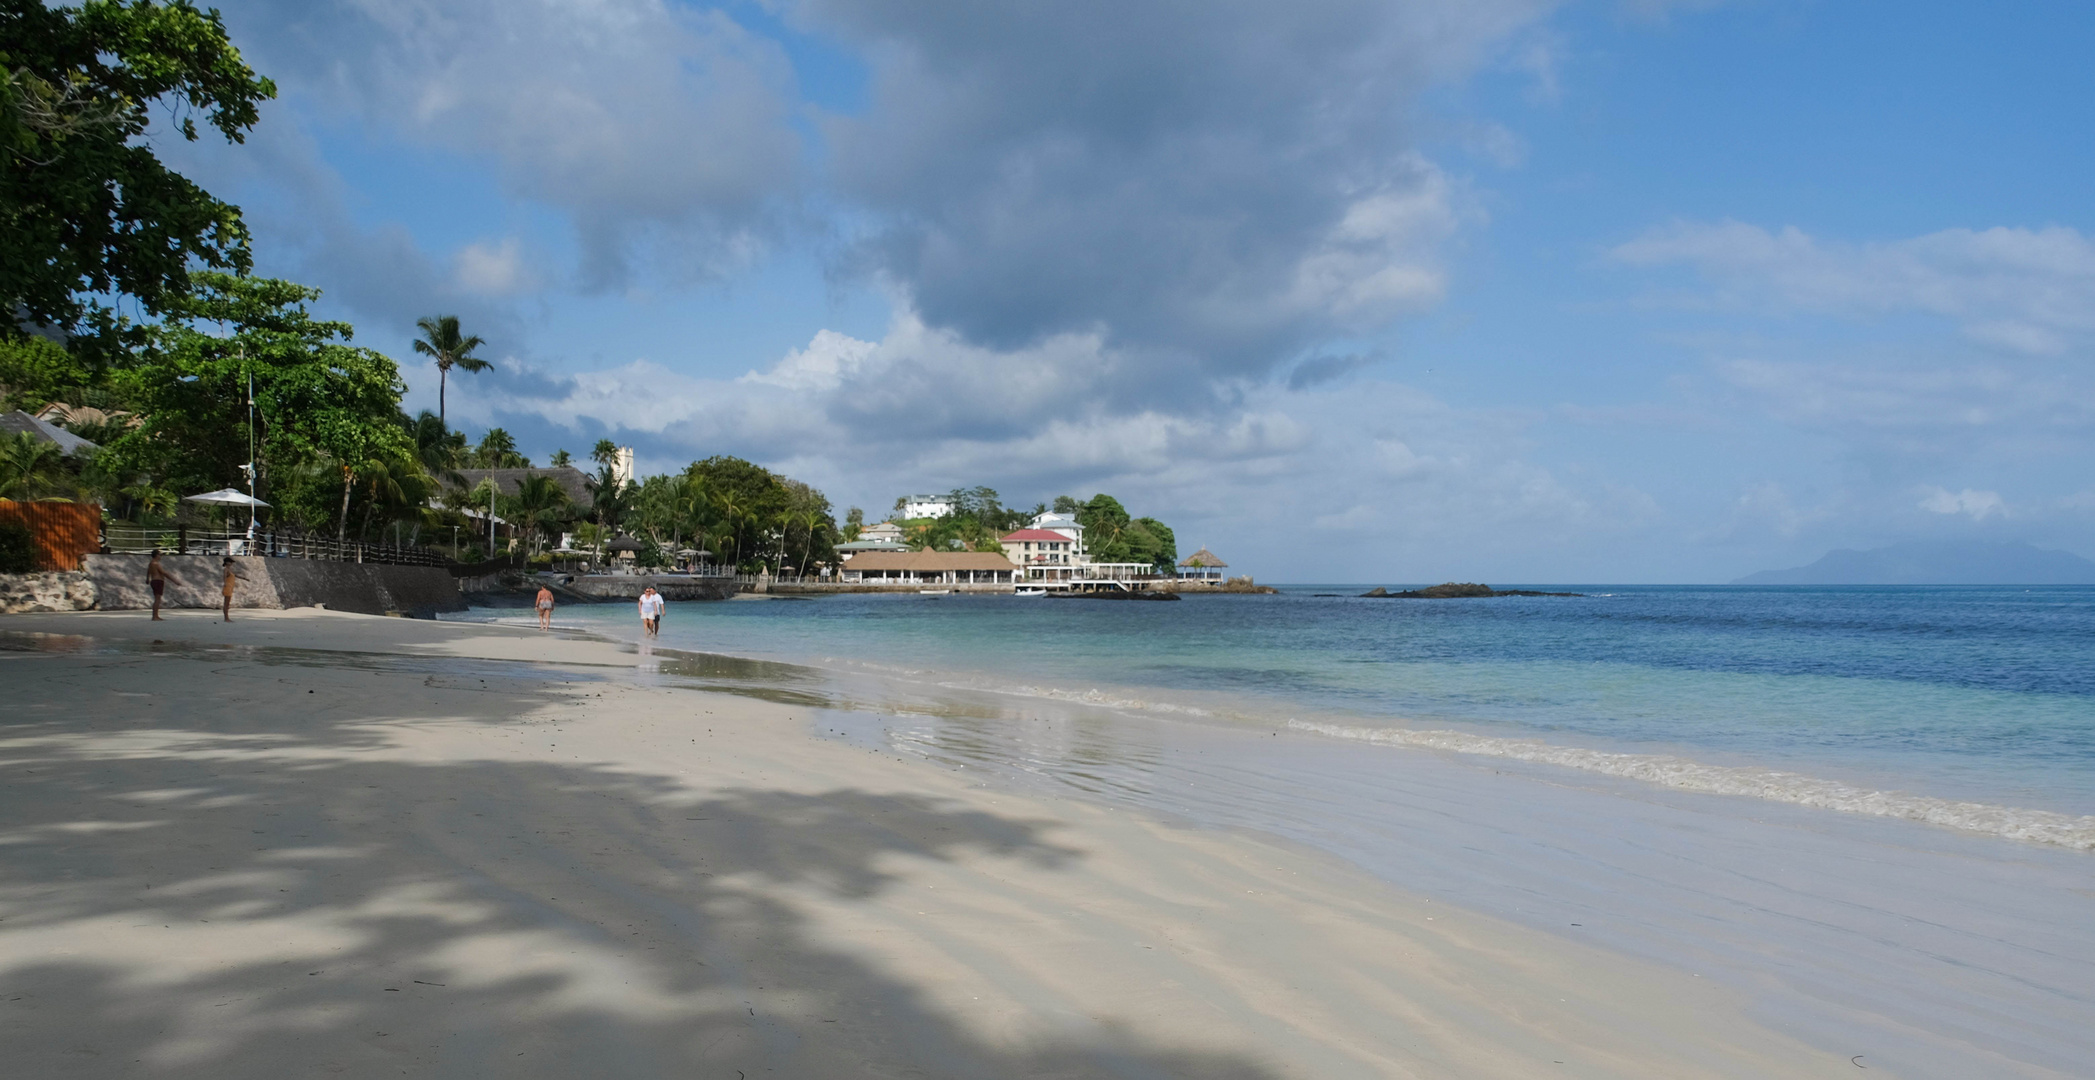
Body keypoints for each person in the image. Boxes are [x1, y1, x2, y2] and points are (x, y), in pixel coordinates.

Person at [147, 550, 168, 620]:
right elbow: (163, 572)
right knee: (157, 599)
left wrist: (148, 578)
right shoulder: (156, 563)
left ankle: (156, 615)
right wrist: (175, 580)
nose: (160, 556)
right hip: (158, 581)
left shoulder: (151, 563)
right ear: (156, 555)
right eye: (160, 555)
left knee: (157, 599)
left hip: (154, 581)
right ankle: (155, 616)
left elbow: (148, 571)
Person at [220, 556, 241, 623]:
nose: (231, 563)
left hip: (230, 587)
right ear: (226, 562)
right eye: (230, 562)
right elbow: (224, 576)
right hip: (228, 587)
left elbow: (235, 575)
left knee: (227, 604)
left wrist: (244, 578)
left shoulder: (229, 570)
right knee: (226, 604)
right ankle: (226, 618)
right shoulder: (226, 569)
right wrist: (225, 583)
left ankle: (227, 618)